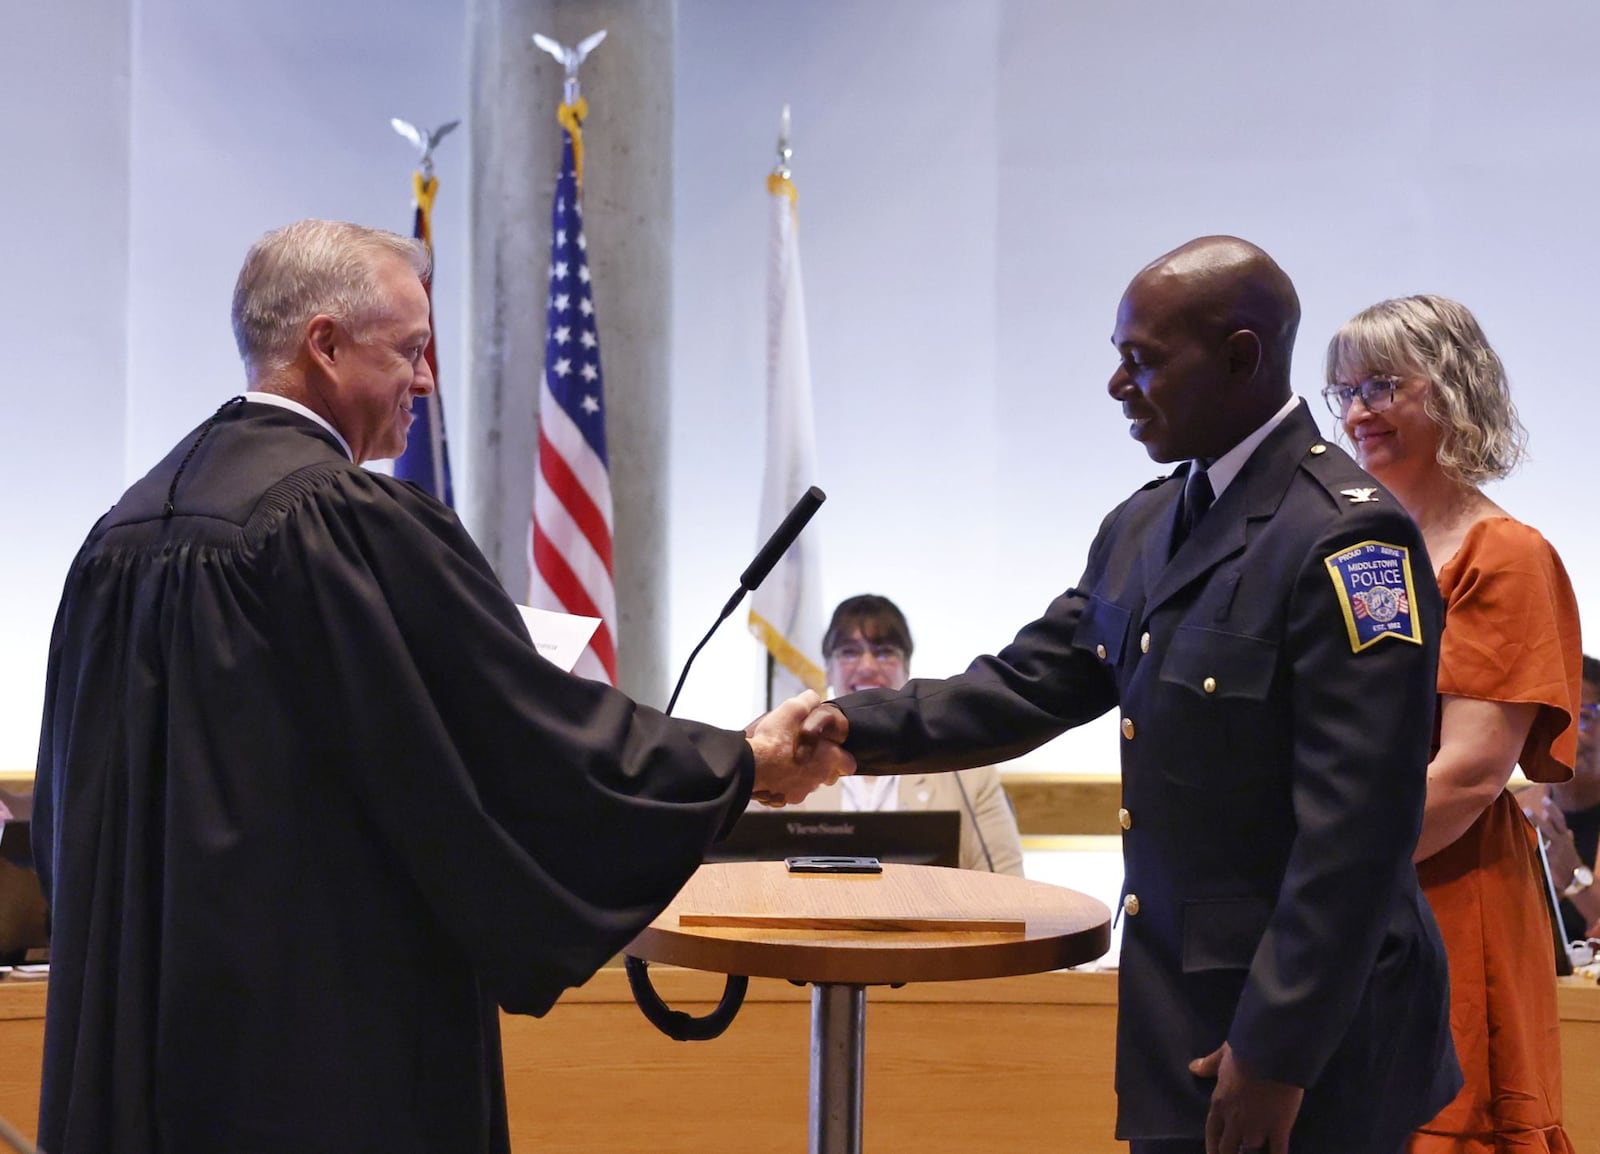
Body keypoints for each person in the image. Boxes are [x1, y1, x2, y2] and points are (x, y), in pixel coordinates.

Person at [31, 219, 851, 1154]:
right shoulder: (338, 523)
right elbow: (518, 739)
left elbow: (70, 814)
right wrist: (738, 763)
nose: (427, 380)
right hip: (309, 1053)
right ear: (325, 344)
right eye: (413, 351)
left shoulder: (122, 531)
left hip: (131, 1040)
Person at [798, 236, 1460, 1154]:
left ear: (1241, 355)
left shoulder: (1349, 542)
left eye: (1142, 360)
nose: (1117, 386)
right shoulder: (1146, 522)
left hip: (1308, 1042)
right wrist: (841, 727)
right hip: (1182, 1014)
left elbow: (1360, 831)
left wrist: (1279, 1050)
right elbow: (1028, 684)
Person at [1325, 295, 1583, 1153]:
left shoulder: (1502, 553)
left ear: (1455, 390)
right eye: (1344, 391)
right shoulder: (1360, 547)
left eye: (1381, 385)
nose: (1357, 411)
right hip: (1355, 880)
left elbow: (1471, 773)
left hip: (1445, 879)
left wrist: (1319, 876)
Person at [782, 595, 1025, 875]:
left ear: (907, 668)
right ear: (827, 669)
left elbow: (1006, 882)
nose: (867, 666)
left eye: (884, 652)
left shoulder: (968, 774)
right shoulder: (788, 763)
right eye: (849, 652)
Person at [1523, 654, 1600, 944]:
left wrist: (1573, 876)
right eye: (1556, 717)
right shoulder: (1514, 813)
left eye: (1585, 716)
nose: (1569, 734)